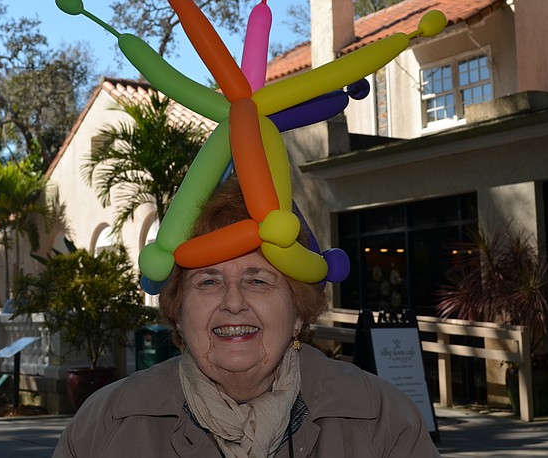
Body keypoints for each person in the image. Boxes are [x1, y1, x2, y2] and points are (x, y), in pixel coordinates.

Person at [52, 179, 439, 457]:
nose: (233, 302)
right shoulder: (106, 426)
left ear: (298, 313)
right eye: (208, 281)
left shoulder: (382, 421)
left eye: (258, 280)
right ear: (178, 312)